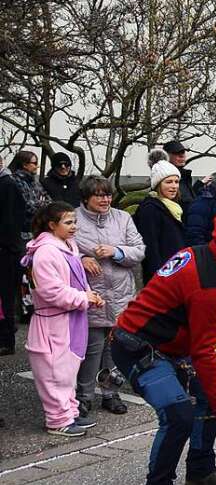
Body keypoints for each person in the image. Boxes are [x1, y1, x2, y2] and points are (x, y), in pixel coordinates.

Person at [111, 207, 216, 485]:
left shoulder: (202, 255)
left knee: (210, 391)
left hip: (167, 344)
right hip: (138, 346)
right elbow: (204, 352)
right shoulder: (207, 284)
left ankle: (200, 471)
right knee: (178, 413)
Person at [21, 202, 105, 437]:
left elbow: (77, 279)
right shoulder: (46, 252)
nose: (74, 227)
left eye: (74, 222)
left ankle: (70, 413)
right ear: (51, 225)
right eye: (68, 222)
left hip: (71, 318)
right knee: (55, 371)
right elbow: (51, 291)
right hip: (53, 321)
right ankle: (58, 420)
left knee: (68, 370)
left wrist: (90, 295)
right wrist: (83, 297)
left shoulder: (67, 245)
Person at [74, 175, 145, 420]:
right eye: (99, 195)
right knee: (92, 348)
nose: (105, 199)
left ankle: (110, 393)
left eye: (108, 194)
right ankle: (83, 397)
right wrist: (81, 260)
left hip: (121, 292)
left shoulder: (122, 218)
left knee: (114, 348)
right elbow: (62, 249)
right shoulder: (74, 219)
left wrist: (117, 251)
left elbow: (139, 250)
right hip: (92, 294)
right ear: (86, 198)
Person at [135, 160, 186, 284]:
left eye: (176, 182)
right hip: (162, 277)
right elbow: (150, 247)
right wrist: (158, 278)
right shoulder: (150, 209)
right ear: (158, 185)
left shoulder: (174, 207)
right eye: (168, 182)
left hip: (177, 270)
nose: (174, 186)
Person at [0, 158, 28, 355]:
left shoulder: (7, 186)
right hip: (7, 248)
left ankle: (6, 340)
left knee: (5, 297)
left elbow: (12, 220)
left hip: (6, 250)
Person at [11, 150, 50, 244]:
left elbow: (48, 201)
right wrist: (41, 204)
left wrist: (41, 204)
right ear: (25, 165)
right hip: (22, 234)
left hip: (38, 231)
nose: (37, 166)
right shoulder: (15, 181)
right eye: (35, 163)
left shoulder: (35, 181)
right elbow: (28, 205)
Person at [161, 140, 197, 213]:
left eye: (183, 152)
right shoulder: (162, 178)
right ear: (166, 156)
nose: (182, 156)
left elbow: (188, 199)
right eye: (177, 153)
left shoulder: (185, 176)